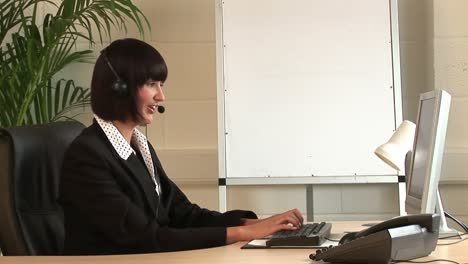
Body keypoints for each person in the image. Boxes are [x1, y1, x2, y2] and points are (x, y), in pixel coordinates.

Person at [59, 38, 303, 255]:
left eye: (160, 85)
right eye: (152, 84)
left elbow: (183, 214)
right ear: (120, 87)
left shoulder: (138, 146)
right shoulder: (88, 156)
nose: (161, 96)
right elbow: (146, 237)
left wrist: (254, 225)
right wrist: (244, 234)